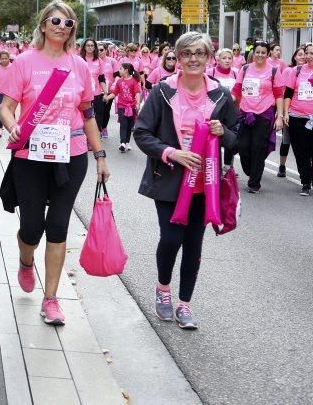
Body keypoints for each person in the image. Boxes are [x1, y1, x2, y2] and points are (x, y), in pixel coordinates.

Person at [0, 0, 109, 326]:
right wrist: (11, 123)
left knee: (59, 225)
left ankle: (51, 299)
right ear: (44, 25)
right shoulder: (23, 62)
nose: (62, 26)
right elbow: (6, 107)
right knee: (32, 228)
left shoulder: (80, 66)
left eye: (69, 23)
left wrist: (99, 154)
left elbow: (88, 114)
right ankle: (25, 259)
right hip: (31, 155)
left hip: (71, 155)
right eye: (56, 21)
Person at [133, 31, 238, 330]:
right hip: (169, 180)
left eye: (199, 53)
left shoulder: (220, 94)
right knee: (171, 239)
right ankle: (163, 290)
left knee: (193, 243)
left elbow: (236, 138)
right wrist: (171, 153)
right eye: (187, 53)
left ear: (208, 58)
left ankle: (185, 304)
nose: (193, 58)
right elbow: (142, 133)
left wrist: (222, 133)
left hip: (205, 183)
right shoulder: (162, 91)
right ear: (177, 58)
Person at [231, 40, 284, 193]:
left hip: (264, 113)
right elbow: (236, 90)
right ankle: (251, 171)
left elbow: (279, 95)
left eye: (263, 52)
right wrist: (226, 101)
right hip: (245, 113)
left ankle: (254, 183)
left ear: (268, 54)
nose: (260, 55)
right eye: (257, 52)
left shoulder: (274, 70)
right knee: (242, 145)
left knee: (258, 148)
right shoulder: (245, 69)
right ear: (253, 53)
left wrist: (280, 116)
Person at [282, 44, 313, 195]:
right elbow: (288, 93)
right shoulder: (297, 70)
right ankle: (305, 183)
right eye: (307, 53)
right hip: (296, 116)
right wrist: (286, 113)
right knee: (301, 152)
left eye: (312, 53)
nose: (308, 56)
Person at [278, 46, 308, 177]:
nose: (304, 56)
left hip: (309, 116)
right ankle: (283, 165)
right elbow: (285, 92)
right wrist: (283, 112)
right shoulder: (291, 71)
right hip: (292, 112)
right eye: (301, 54)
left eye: (306, 54)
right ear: (295, 57)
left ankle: (307, 172)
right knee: (288, 141)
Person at [105, 62, 141, 152]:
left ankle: (127, 142)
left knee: (130, 125)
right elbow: (115, 93)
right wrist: (107, 98)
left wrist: (138, 104)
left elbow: (137, 93)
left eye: (120, 68)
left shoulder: (134, 81)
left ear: (126, 70)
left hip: (132, 107)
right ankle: (123, 143)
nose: (119, 70)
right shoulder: (119, 81)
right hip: (122, 106)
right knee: (123, 124)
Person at [81, 38, 108, 138]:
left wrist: (105, 93)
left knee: (98, 115)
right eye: (88, 45)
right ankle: (85, 137)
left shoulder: (98, 60)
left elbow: (102, 78)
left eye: (92, 46)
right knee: (85, 115)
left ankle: (96, 136)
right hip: (83, 94)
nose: (90, 47)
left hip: (96, 94)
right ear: (84, 47)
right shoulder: (80, 59)